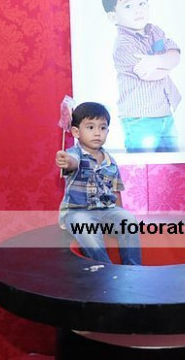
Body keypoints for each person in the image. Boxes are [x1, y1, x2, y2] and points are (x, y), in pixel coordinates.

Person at [56, 102, 141, 265]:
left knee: (128, 220)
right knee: (85, 227)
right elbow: (73, 162)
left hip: (106, 210)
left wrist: (119, 215)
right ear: (76, 132)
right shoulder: (74, 154)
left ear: (107, 131)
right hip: (78, 212)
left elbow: (115, 192)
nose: (97, 133)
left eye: (102, 128)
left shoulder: (111, 162)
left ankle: (133, 268)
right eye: (90, 127)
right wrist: (67, 161)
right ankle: (105, 268)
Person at [102, 0, 181, 153]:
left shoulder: (155, 32)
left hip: (165, 114)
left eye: (142, 3)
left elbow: (175, 55)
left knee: (173, 161)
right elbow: (150, 74)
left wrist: (155, 61)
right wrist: (166, 62)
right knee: (143, 162)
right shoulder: (124, 45)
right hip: (139, 119)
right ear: (113, 16)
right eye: (128, 6)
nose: (138, 10)